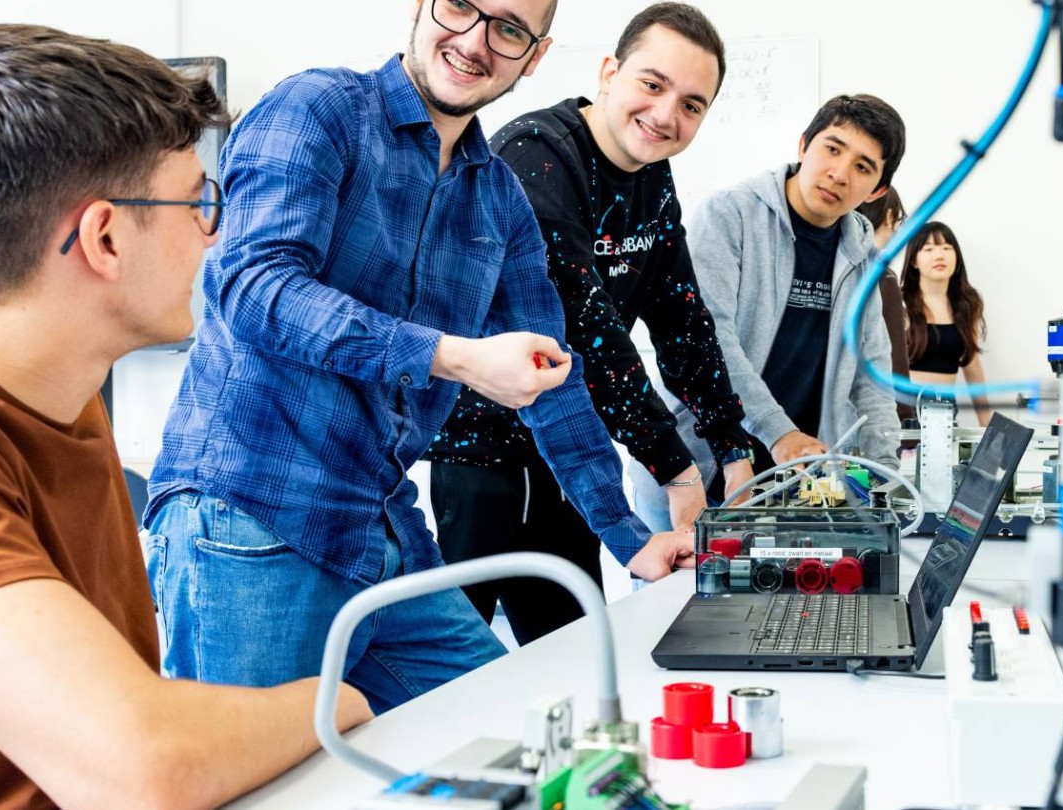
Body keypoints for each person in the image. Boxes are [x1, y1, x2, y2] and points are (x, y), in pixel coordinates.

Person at [0, 24, 374, 808]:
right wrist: (345, 702)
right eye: (197, 202)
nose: (215, 236)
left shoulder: (60, 399)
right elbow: (146, 767)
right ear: (105, 237)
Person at [146, 0, 690, 710]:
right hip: (253, 514)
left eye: (509, 30)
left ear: (536, 55)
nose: (474, 40)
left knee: (512, 738)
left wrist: (632, 539)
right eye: (461, 6)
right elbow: (255, 289)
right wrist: (453, 357)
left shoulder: (496, 196)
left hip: (380, 527)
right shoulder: (316, 110)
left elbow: (550, 376)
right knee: (262, 782)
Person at [426, 3, 758, 644]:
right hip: (484, 452)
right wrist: (678, 471)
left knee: (576, 650)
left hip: (572, 454)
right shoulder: (534, 158)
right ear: (609, 72)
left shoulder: (652, 180)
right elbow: (587, 333)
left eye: (692, 104)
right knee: (453, 661)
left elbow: (683, 320)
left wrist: (733, 448)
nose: (666, 115)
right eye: (653, 84)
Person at [635, 95, 907, 527]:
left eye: (863, 166)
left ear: (877, 190)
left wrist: (885, 478)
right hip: (698, 468)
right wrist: (780, 434)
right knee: (680, 594)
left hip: (796, 485)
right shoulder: (731, 215)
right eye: (832, 149)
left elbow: (871, 375)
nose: (839, 173)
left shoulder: (862, 252)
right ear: (803, 146)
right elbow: (710, 342)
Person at [901, 221, 992, 426]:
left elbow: (972, 363)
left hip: (946, 411)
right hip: (906, 410)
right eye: (929, 249)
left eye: (946, 248)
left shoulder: (968, 304)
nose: (939, 255)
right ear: (914, 260)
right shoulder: (900, 304)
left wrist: (986, 422)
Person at [855, 186, 912, 423]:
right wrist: (907, 417)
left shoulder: (843, 268)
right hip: (876, 418)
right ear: (890, 216)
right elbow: (894, 359)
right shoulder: (883, 278)